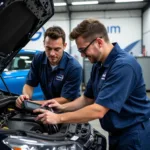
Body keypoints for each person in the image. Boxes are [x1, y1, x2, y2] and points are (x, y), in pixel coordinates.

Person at [33, 19, 150, 150]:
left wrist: (58, 118)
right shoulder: (98, 65)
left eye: (83, 50)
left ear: (99, 42)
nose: (82, 55)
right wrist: (62, 107)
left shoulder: (123, 66)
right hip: (116, 133)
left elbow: (99, 110)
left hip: (133, 135)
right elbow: (87, 98)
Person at [16, 26, 82, 108]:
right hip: (47, 107)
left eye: (57, 49)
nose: (52, 54)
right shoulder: (38, 59)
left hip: (69, 110)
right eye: (48, 48)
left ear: (64, 46)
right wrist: (25, 96)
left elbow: (65, 99)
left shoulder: (74, 67)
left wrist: (34, 103)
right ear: (44, 44)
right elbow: (29, 84)